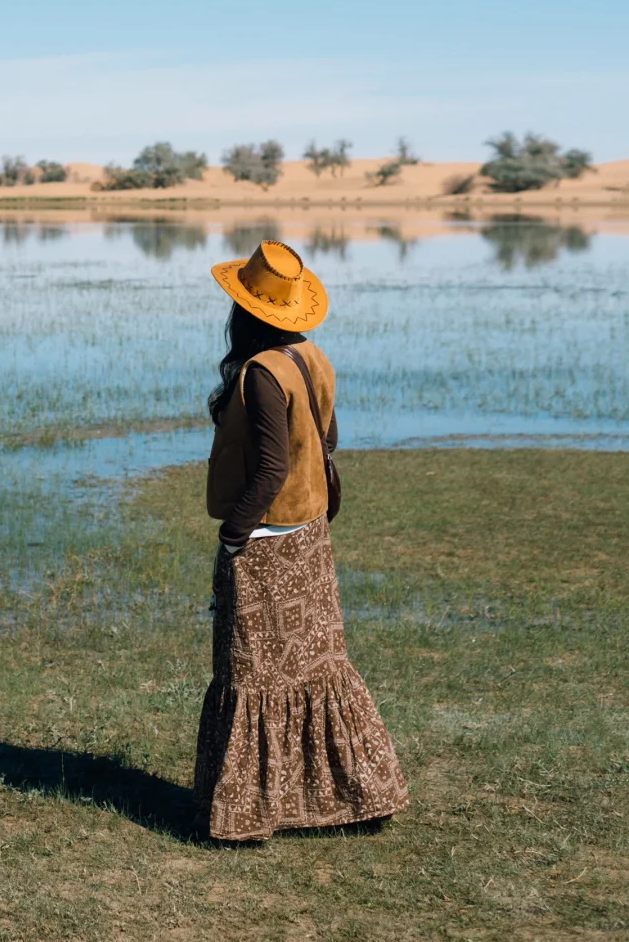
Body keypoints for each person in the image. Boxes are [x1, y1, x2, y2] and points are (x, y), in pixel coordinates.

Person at [194, 239, 408, 842]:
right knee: (318, 668)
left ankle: (251, 811)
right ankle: (359, 794)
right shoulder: (311, 357)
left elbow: (268, 471)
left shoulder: (262, 374)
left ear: (245, 311)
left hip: (265, 547)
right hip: (309, 540)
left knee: (252, 672)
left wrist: (234, 535)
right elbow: (328, 436)